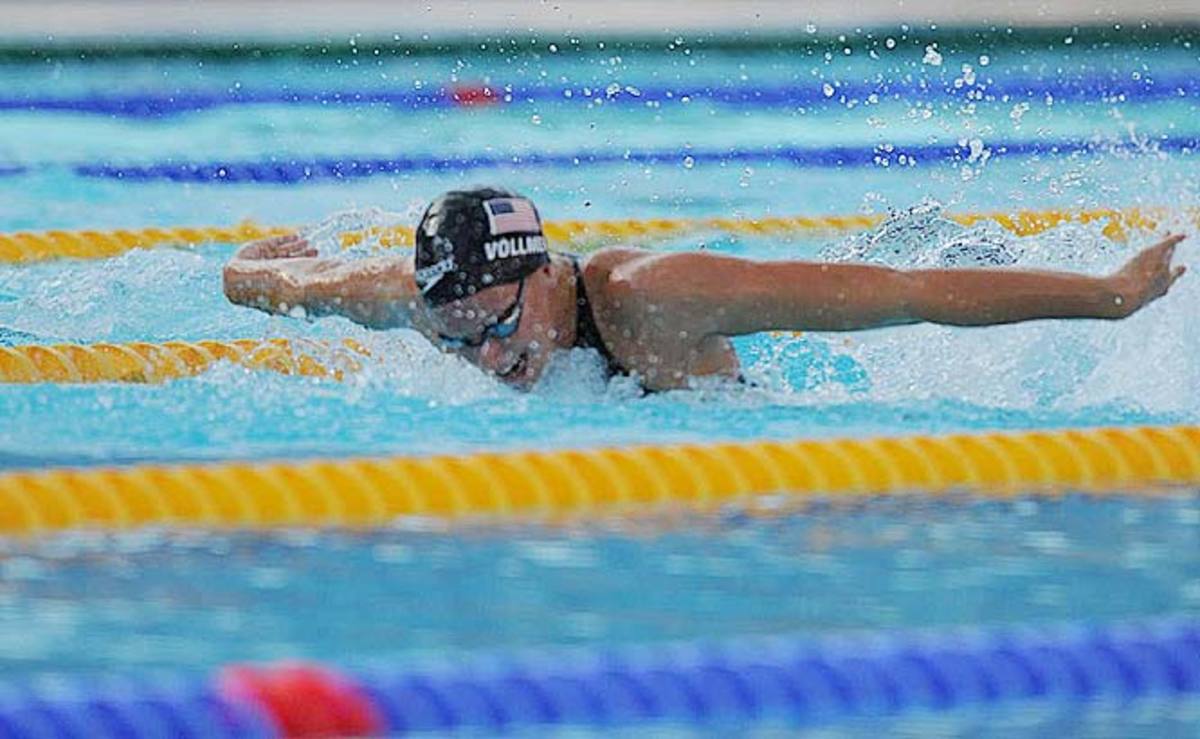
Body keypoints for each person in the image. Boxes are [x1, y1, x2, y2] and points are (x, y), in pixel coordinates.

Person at [223, 186, 1187, 392]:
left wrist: (1108, 293)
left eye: (495, 326)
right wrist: (252, 268)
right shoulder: (442, 301)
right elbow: (280, 285)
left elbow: (902, 294)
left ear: (544, 275)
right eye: (454, 339)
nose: (484, 356)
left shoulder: (657, 294)